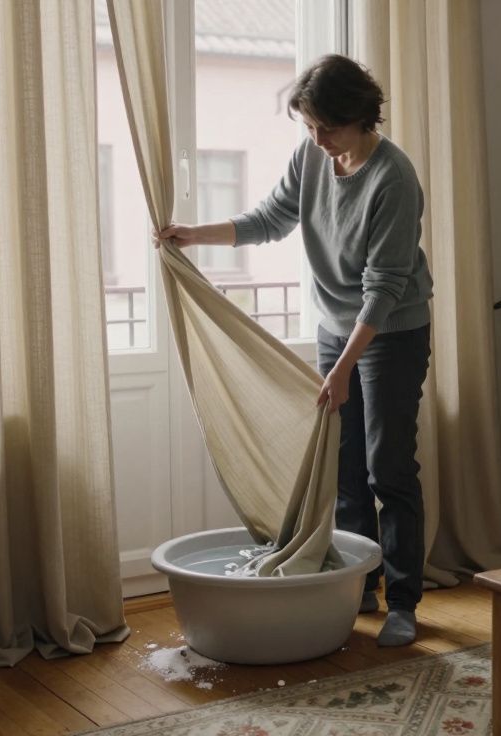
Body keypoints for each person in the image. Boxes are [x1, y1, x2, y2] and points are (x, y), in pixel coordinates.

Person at [158, 54, 433, 648]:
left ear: (359, 116)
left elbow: (384, 289)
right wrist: (192, 235)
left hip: (391, 332)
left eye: (326, 127)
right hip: (339, 328)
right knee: (346, 468)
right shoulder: (314, 156)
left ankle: (405, 601)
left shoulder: (393, 177)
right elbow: (270, 219)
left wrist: (341, 369)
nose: (317, 139)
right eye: (309, 127)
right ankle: (358, 584)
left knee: (388, 466)